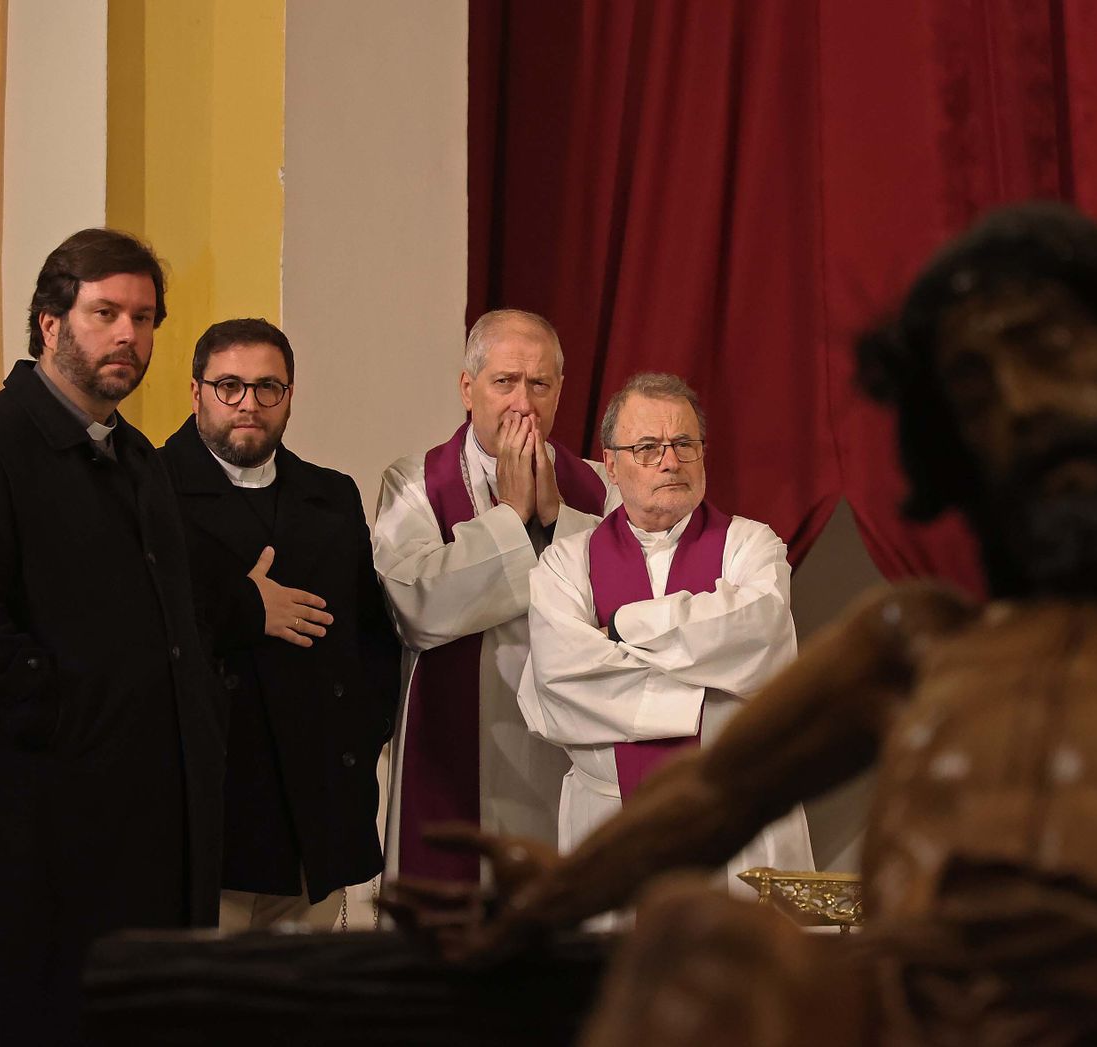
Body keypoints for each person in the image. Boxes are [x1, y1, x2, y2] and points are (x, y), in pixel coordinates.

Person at [385, 204, 1097, 1046]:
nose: (1023, 430)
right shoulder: (918, 643)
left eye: (1063, 387)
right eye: (984, 411)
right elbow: (713, 796)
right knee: (696, 944)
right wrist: (544, 905)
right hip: (910, 1018)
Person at [0, 229, 225, 1046]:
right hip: (34, 824)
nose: (129, 335)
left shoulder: (141, 459)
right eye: (105, 313)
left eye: (144, 318)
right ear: (50, 323)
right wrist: (67, 718)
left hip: (145, 827)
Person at [518, 372, 812, 894]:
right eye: (648, 447)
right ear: (611, 464)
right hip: (609, 818)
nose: (670, 461)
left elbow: (758, 638)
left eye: (684, 444)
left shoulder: (752, 545)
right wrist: (707, 689)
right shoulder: (565, 563)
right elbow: (562, 679)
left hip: (736, 817)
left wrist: (623, 626)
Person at [159, 318, 401, 930]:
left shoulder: (332, 494)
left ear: (289, 395)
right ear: (196, 392)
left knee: (308, 991)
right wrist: (243, 608)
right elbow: (132, 630)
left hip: (315, 809)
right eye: (229, 386)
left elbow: (370, 637)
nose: (249, 404)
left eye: (268, 387)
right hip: (209, 812)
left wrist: (362, 732)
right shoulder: (151, 491)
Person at [373, 309, 611, 880]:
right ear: (467, 388)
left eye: (539, 384)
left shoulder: (600, 486)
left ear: (560, 392)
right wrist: (511, 518)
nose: (523, 404)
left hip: (564, 755)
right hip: (454, 755)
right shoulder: (415, 483)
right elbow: (416, 608)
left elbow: (625, 604)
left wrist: (556, 519)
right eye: (505, 382)